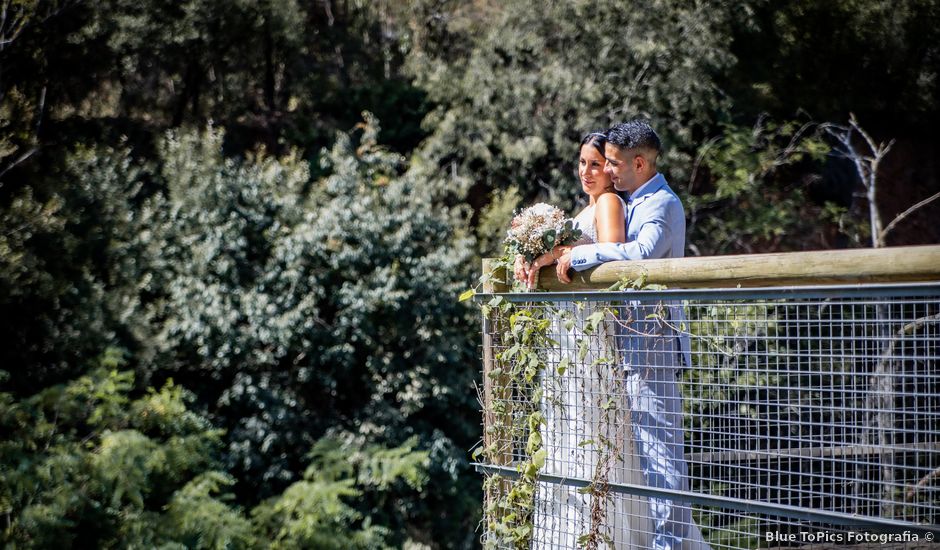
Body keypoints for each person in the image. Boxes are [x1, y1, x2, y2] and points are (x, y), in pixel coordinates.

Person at [553, 120, 709, 550]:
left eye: (616, 163)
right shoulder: (636, 198)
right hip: (636, 340)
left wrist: (581, 254)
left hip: (654, 339)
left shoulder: (660, 203)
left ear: (639, 162)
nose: (611, 171)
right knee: (647, 449)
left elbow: (641, 254)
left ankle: (670, 545)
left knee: (661, 452)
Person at [515, 131, 652, 549]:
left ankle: (608, 535)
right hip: (569, 335)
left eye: (596, 164)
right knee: (568, 429)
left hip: (591, 334)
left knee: (591, 425)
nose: (587, 172)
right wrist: (534, 257)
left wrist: (563, 252)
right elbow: (569, 255)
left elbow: (610, 252)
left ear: (610, 169)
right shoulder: (581, 211)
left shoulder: (609, 203)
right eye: (582, 163)